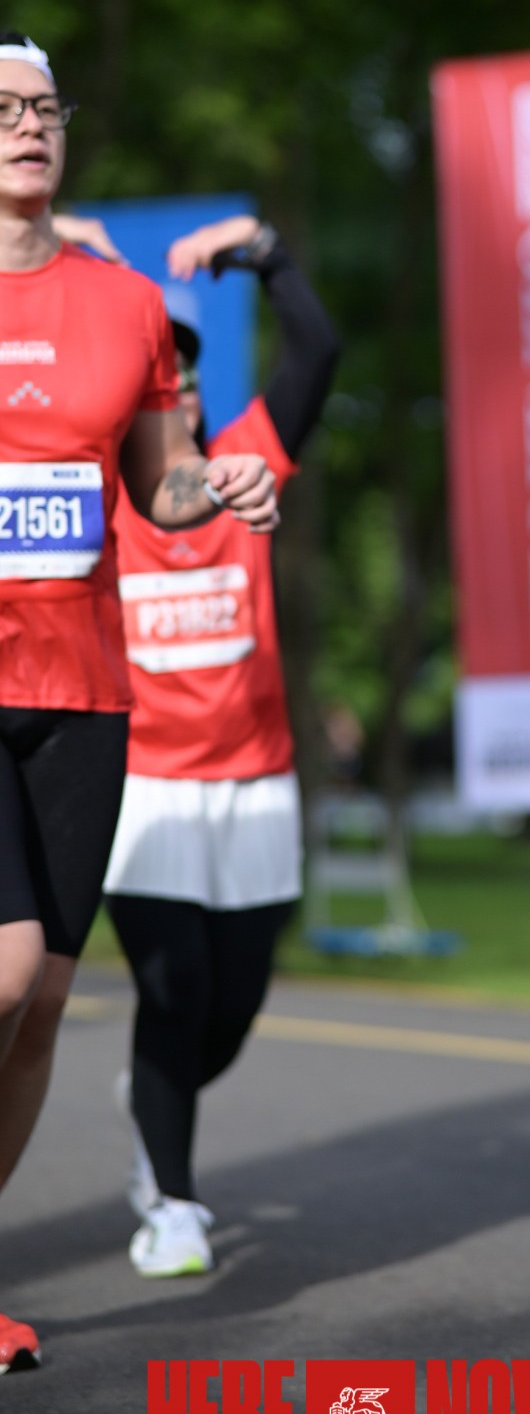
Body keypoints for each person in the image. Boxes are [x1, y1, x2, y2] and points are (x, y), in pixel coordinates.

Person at [0, 34, 278, 1373]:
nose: (30, 126)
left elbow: (159, 483)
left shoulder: (123, 306)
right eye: (4, 108)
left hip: (86, 689)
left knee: (47, 996)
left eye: (45, 108)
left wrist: (223, 484)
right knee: (5, 969)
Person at [79, 213, 338, 1276]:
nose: (176, 388)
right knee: (174, 986)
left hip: (256, 781)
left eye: (186, 375)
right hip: (145, 782)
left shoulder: (244, 466)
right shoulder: (97, 495)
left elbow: (316, 349)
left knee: (231, 1007)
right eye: (159, 377)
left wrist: (262, 250)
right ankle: (173, 1203)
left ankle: (154, 1097)